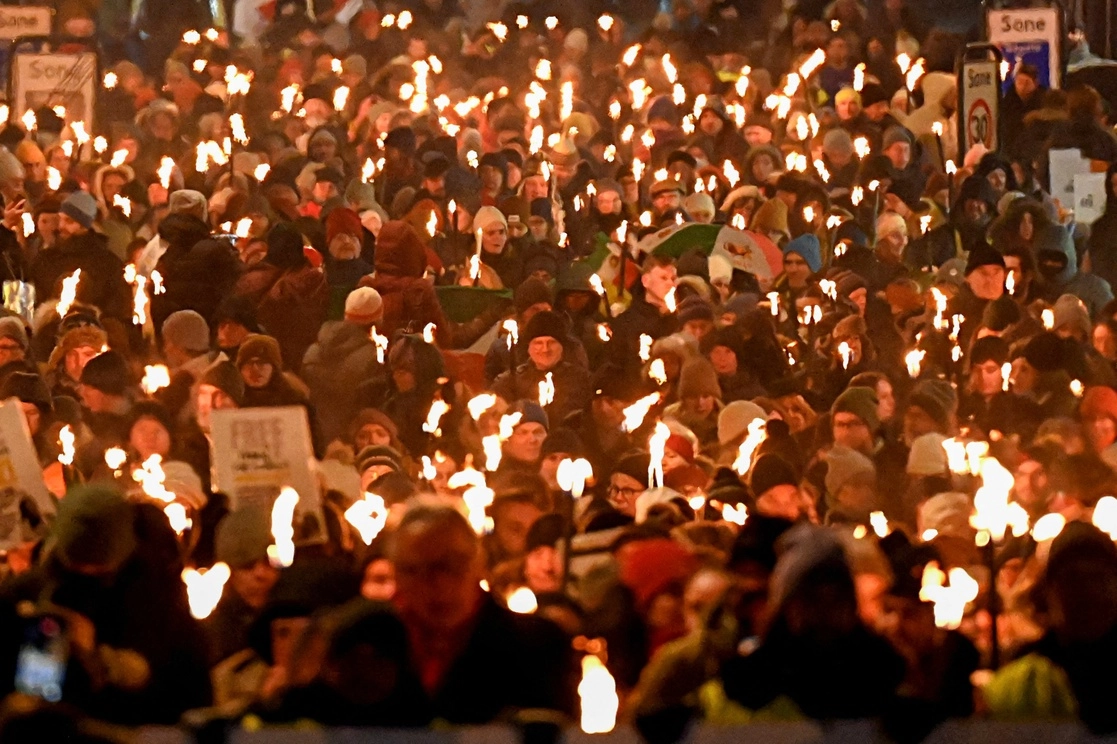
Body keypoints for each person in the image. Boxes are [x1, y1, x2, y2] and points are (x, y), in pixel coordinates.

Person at [390, 501, 575, 722]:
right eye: (413, 570)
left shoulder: (537, 644)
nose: (435, 582)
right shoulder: (373, 646)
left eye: (448, 565)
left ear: (478, 563)